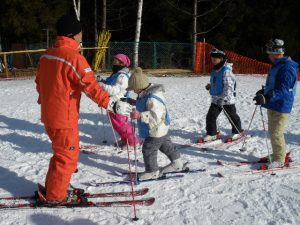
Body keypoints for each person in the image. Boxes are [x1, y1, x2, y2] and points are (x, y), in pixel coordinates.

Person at [35, 15, 131, 204]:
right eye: (80, 33)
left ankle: (56, 186)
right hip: (64, 118)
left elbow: (39, 83)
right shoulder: (73, 58)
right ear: (73, 34)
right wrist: (112, 104)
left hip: (50, 115)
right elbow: (91, 87)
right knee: (67, 157)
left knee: (61, 153)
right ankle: (56, 196)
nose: (81, 36)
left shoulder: (47, 55)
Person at [128, 67, 185, 180]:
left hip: (155, 129)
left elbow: (155, 115)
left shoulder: (152, 98)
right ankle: (177, 163)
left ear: (140, 87)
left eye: (134, 89)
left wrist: (140, 115)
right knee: (166, 146)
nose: (133, 91)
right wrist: (134, 102)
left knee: (148, 149)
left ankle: (152, 171)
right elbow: (144, 104)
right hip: (161, 128)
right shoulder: (146, 93)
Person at [253, 38, 298, 169]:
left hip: (281, 105)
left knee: (277, 133)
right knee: (273, 132)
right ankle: (278, 153)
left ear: (275, 53)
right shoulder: (277, 65)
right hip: (273, 104)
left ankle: (280, 159)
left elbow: (284, 90)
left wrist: (267, 97)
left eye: (269, 53)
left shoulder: (287, 67)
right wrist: (264, 92)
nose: (268, 56)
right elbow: (274, 85)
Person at [199, 47, 243, 143]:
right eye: (212, 59)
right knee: (211, 116)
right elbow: (216, 82)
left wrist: (224, 99)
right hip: (215, 98)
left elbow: (229, 87)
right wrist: (210, 86)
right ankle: (212, 133)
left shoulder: (226, 71)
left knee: (232, 116)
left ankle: (238, 131)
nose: (213, 61)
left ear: (221, 58)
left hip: (227, 100)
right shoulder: (215, 70)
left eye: (215, 59)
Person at [99, 54, 139, 148]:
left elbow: (115, 90)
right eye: (114, 60)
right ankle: (125, 139)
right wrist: (103, 81)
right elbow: (111, 83)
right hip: (112, 103)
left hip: (120, 104)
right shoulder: (116, 73)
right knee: (116, 124)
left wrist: (102, 86)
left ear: (122, 63)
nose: (113, 62)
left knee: (121, 124)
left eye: (115, 61)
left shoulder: (122, 76)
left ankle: (133, 142)